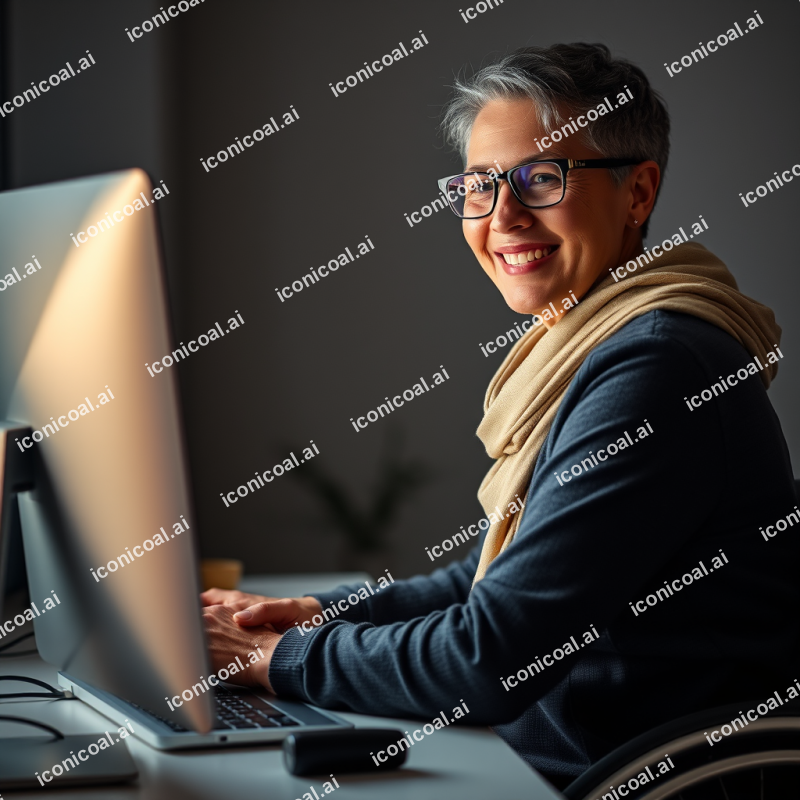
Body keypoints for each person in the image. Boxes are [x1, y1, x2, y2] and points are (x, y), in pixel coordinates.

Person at [201, 43, 799, 789]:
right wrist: (317, 615)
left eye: (541, 179)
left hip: (604, 775)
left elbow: (491, 657)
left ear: (637, 193)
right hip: (538, 753)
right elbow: (509, 580)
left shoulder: (658, 365)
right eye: (479, 187)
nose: (503, 215)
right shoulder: (590, 341)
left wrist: (273, 659)